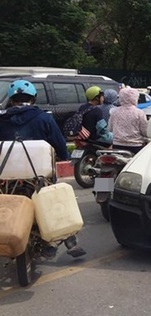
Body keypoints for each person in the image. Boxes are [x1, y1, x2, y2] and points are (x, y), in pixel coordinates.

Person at [0, 79, 86, 258]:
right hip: (40, 174)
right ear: (33, 98)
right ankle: (69, 241)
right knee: (56, 199)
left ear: (11, 99)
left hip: (6, 176)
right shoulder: (44, 118)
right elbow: (60, 144)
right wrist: (64, 155)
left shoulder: (2, 119)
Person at [108, 87, 149, 154]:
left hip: (117, 145)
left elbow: (109, 129)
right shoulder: (139, 113)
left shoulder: (114, 112)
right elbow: (144, 131)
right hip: (136, 146)